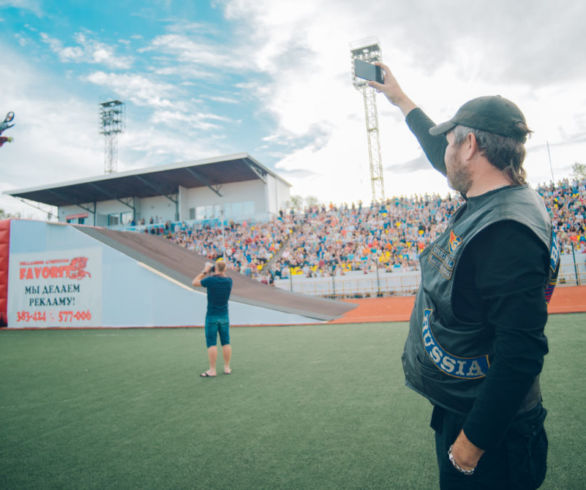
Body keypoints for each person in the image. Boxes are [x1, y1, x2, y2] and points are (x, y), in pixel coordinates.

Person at [370, 64, 560, 489]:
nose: (446, 154)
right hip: (466, 397)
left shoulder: (507, 231)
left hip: (491, 429)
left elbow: (522, 351)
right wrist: (400, 99)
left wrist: (472, 442)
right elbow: (438, 153)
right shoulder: (497, 194)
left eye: (452, 142)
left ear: (471, 144)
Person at [192, 260, 234, 377]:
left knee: (212, 343)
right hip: (224, 315)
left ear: (215, 269)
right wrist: (214, 271)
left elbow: (194, 282)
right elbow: (222, 276)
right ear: (225, 269)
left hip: (211, 316)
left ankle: (212, 370)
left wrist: (205, 271)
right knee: (226, 342)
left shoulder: (210, 280)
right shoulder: (229, 281)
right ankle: (227, 367)